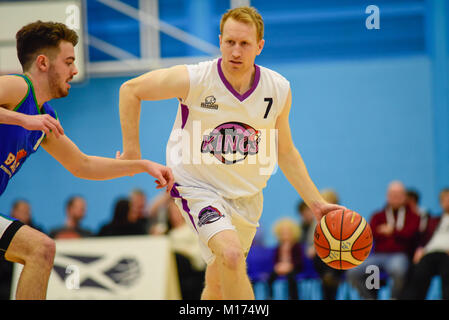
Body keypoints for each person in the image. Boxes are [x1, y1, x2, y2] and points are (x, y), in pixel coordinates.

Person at [117, 6, 345, 300]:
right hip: (198, 186)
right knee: (233, 255)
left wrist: (316, 203)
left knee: (218, 284)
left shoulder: (277, 89)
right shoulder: (196, 79)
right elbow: (130, 90)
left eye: (245, 44)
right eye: (229, 42)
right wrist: (133, 152)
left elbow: (285, 151)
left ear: (259, 46)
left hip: (247, 197)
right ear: (220, 40)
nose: (236, 51)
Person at [0, 21, 174, 300]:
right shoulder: (18, 87)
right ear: (43, 62)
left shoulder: (45, 117)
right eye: (68, 62)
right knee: (40, 249)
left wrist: (141, 165)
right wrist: (23, 119)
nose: (75, 71)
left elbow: (83, 165)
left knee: (41, 250)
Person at [346, 181, 420, 300]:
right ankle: (370, 298)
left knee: (398, 269)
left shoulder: (413, 216)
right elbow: (371, 234)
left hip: (399, 255)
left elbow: (410, 234)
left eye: (398, 194)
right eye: (392, 194)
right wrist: (397, 233)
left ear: (404, 196)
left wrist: (392, 231)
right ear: (387, 196)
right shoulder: (378, 216)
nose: (395, 197)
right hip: (378, 256)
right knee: (354, 271)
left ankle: (394, 298)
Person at [401, 188, 449, 300]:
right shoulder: (434, 220)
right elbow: (423, 237)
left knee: (447, 271)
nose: (447, 202)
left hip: (446, 254)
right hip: (430, 252)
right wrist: (420, 249)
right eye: (444, 199)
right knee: (418, 272)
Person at [0, 200, 40, 300]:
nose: (26, 214)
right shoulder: (3, 232)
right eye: (23, 211)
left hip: (28, 277)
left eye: (28, 212)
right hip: (5, 280)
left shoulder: (38, 233)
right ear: (13, 212)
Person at [267, 218, 303, 300]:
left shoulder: (296, 246)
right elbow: (275, 259)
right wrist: (278, 266)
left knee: (291, 277)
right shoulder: (279, 246)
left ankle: (293, 297)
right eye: (282, 233)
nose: (285, 235)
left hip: (293, 268)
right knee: (271, 276)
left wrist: (290, 266)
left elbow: (299, 261)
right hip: (281, 267)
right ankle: (270, 295)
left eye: (287, 233)